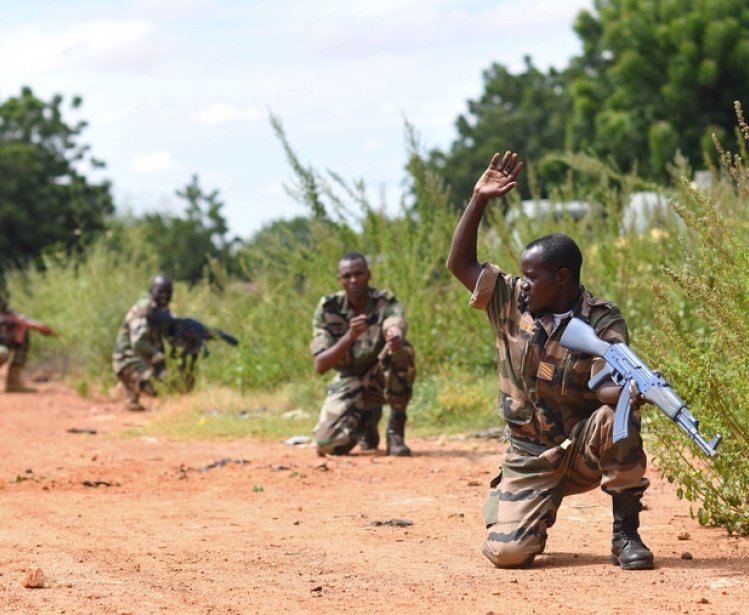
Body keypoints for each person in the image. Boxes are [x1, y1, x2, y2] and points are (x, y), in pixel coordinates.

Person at [445, 151, 653, 570]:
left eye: (533, 275)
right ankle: (526, 505)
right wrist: (479, 199)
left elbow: (605, 385)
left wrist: (632, 392)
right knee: (509, 554)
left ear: (562, 277)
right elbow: (459, 263)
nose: (524, 282)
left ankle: (625, 533)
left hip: (579, 449)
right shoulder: (510, 300)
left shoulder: (601, 321)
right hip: (528, 454)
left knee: (620, 412)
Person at [311, 252, 416, 456]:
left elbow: (395, 320)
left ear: (368, 275)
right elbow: (321, 365)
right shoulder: (328, 308)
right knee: (326, 444)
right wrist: (349, 336)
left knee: (403, 351)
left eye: (358, 274)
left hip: (380, 374)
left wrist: (396, 334)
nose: (353, 280)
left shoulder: (383, 301)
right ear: (339, 280)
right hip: (348, 380)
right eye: (347, 276)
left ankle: (395, 432)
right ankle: (365, 424)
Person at [112, 273, 174, 411]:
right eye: (160, 291)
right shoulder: (144, 308)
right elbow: (138, 342)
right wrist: (157, 354)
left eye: (168, 292)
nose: (165, 295)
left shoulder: (161, 310)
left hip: (142, 359)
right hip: (126, 361)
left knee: (171, 379)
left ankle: (131, 392)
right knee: (160, 388)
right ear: (152, 290)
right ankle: (129, 384)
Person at [0, 296, 56, 392]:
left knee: (21, 333)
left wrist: (43, 329)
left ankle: (13, 383)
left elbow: (23, 321)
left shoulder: (9, 315)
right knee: (2, 352)